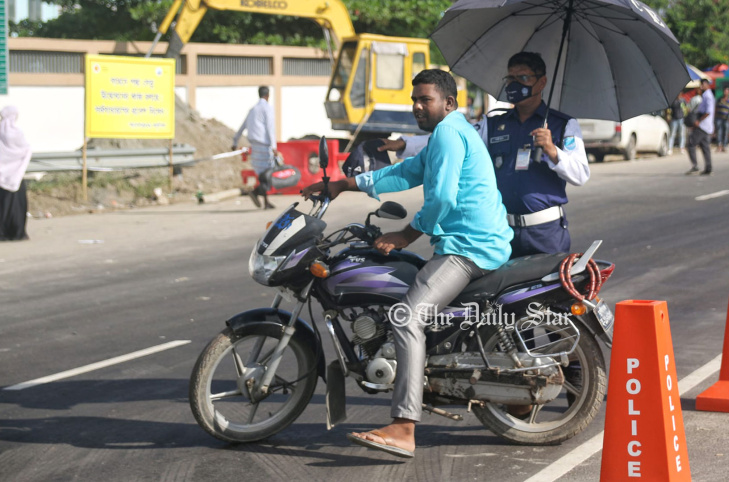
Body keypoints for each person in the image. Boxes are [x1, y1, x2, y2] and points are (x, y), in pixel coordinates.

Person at [302, 69, 512, 459]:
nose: (417, 106)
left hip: (470, 249)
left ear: (448, 103)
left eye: (425, 100)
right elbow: (404, 172)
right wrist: (346, 185)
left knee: (406, 317)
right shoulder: (444, 136)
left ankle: (403, 427)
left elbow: (444, 198)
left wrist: (405, 234)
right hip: (467, 243)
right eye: (414, 100)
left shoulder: (450, 133)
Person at [379, 52, 590, 258]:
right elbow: (451, 139)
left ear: (542, 82)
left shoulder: (563, 125)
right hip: (500, 233)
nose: (515, 84)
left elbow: (580, 175)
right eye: (511, 78)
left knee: (546, 293)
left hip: (546, 233)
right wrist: (402, 144)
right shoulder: (495, 124)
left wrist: (553, 151)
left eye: (523, 78)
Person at [232, 86, 277, 209]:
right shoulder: (267, 108)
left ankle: (266, 201)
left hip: (255, 148)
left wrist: (235, 141)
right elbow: (270, 128)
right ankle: (255, 192)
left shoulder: (253, 110)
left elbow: (243, 126)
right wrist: (274, 146)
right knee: (267, 175)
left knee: (262, 176)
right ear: (268, 95)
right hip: (265, 147)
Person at [0, 106, 33, 241]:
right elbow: (25, 150)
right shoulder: (18, 133)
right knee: (17, 206)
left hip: (1, 177)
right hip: (16, 177)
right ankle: (17, 233)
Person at [686, 79, 714, 175]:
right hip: (706, 126)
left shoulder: (708, 96)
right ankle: (708, 168)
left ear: (706, 84)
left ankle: (695, 166)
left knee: (691, 143)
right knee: (705, 147)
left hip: (703, 125)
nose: (701, 87)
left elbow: (708, 112)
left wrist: (699, 121)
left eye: (702, 84)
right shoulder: (706, 95)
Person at [714, 87, 729, 152]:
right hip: (719, 118)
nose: (725, 92)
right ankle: (719, 145)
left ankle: (724, 145)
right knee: (719, 132)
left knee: (726, 132)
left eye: (727, 91)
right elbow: (716, 108)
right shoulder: (719, 99)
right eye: (724, 91)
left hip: (726, 119)